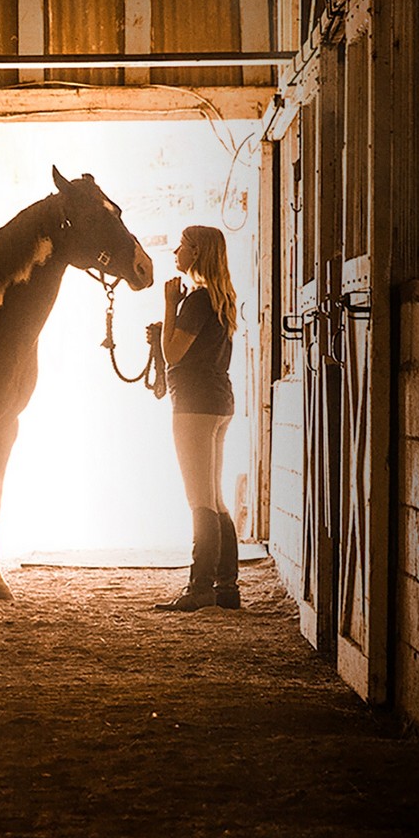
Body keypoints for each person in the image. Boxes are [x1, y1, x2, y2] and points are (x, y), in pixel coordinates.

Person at [150, 225, 240, 611]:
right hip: (219, 402)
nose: (176, 250)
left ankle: (200, 586)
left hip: (194, 404)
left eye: (183, 245)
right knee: (215, 498)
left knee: (199, 499)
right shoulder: (221, 299)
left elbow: (173, 354)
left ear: (197, 253)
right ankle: (227, 587)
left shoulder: (197, 301)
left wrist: (170, 305)